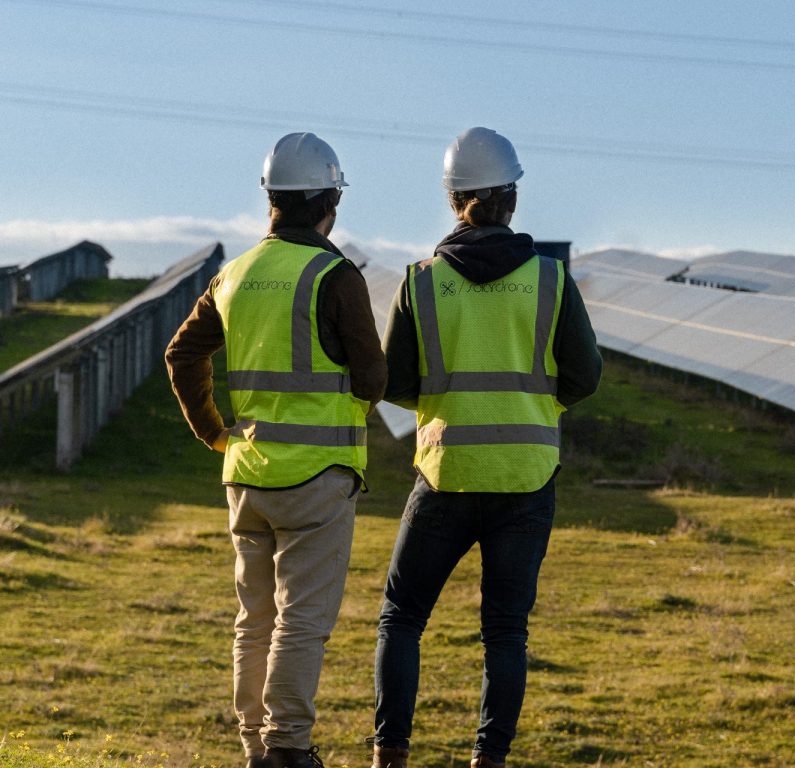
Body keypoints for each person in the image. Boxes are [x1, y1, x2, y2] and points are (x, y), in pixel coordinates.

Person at [369, 127, 602, 768]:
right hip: (526, 478)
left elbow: (395, 383)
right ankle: (488, 758)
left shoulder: (419, 284)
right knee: (505, 630)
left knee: (402, 619)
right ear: (512, 199)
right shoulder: (552, 281)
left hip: (444, 474)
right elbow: (584, 377)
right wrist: (535, 406)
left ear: (453, 199)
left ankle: (389, 755)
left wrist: (446, 407)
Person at [165, 132, 385, 768]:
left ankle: (254, 747)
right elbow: (372, 379)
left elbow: (182, 354)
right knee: (301, 621)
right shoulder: (334, 275)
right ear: (327, 202)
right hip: (317, 480)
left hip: (247, 475)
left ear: (272, 200)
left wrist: (214, 432)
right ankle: (287, 749)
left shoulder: (232, 275)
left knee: (253, 620)